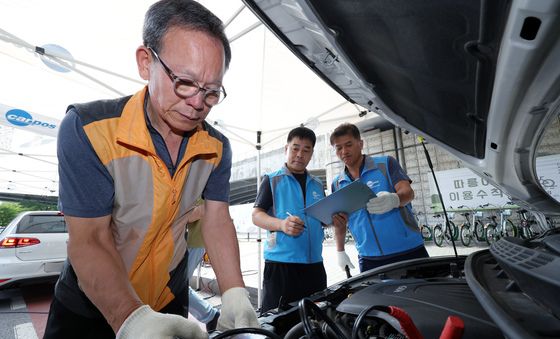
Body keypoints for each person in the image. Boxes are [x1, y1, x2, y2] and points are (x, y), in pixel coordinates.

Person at [44, 1, 258, 338]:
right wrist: (131, 320)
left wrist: (234, 294)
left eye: (212, 91)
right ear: (146, 62)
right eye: (185, 82)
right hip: (92, 308)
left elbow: (216, 220)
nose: (198, 103)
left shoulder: (217, 148)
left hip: (167, 301)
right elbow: (90, 237)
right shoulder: (89, 130)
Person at [329, 123, 428, 273]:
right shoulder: (337, 183)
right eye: (338, 148)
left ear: (360, 143)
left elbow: (408, 193)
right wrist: (340, 251)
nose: (344, 151)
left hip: (408, 251)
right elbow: (340, 222)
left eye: (348, 145)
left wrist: (394, 199)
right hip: (369, 258)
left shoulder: (385, 164)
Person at [252, 127, 327, 313]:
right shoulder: (271, 180)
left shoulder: (317, 184)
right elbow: (256, 215)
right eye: (295, 148)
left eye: (306, 150)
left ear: (311, 153)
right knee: (279, 323)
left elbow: (322, 219)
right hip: (281, 266)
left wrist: (334, 219)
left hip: (314, 265)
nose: (300, 154)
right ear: (286, 149)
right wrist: (281, 225)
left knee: (315, 320)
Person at [185, 200, 220, 332]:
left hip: (192, 241)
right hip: (192, 240)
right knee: (176, 286)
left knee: (178, 286)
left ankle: (210, 315)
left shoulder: (198, 182)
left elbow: (199, 211)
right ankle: (211, 315)